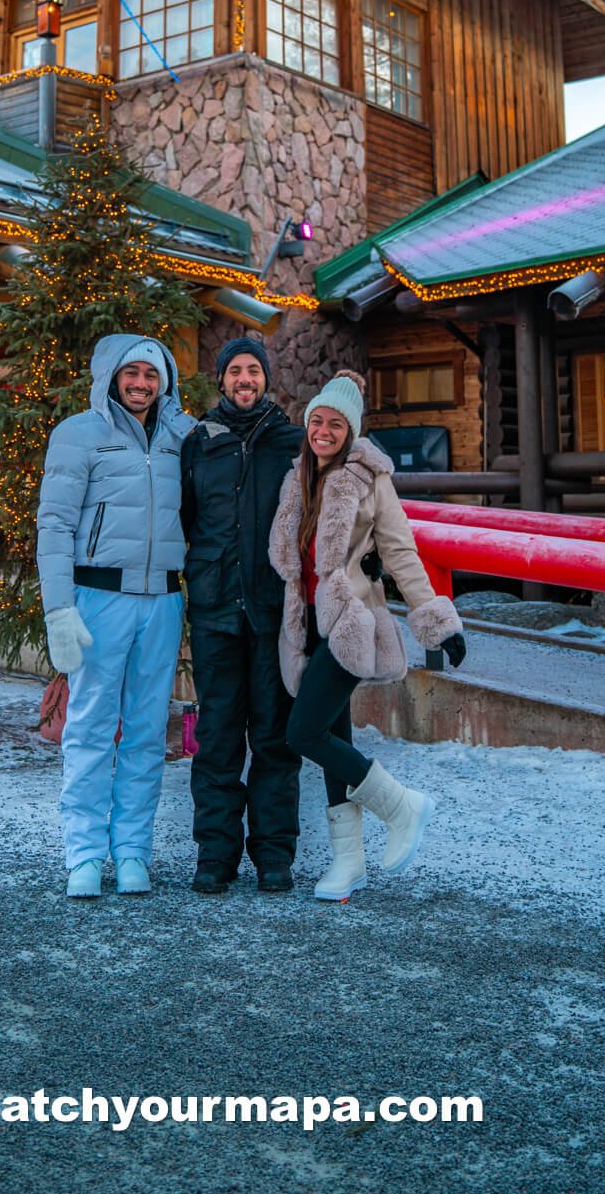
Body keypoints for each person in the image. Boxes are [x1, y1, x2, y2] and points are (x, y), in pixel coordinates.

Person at [269, 370, 466, 902]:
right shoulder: (298, 477)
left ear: (351, 430)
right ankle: (347, 861)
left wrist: (435, 618)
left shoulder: (370, 478)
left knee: (302, 734)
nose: (324, 431)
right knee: (336, 738)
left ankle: (401, 805)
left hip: (349, 623)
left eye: (335, 423)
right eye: (317, 421)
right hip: (304, 622)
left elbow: (400, 550)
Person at [36, 334, 192, 900]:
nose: (142, 384)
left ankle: (132, 852)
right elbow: (53, 525)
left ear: (164, 381)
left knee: (147, 731)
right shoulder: (79, 434)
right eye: (132, 374)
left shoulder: (182, 435)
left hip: (164, 601)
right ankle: (83, 854)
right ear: (111, 376)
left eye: (152, 376)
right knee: (90, 727)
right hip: (99, 598)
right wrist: (59, 609)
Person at [181, 334, 304, 895]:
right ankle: (216, 855)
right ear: (222, 380)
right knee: (218, 735)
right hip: (213, 610)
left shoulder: (292, 442)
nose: (245, 379)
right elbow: (185, 519)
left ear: (266, 379)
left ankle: (274, 855)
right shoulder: (198, 441)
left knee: (274, 738)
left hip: (273, 609)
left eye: (253, 370)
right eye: (235, 371)